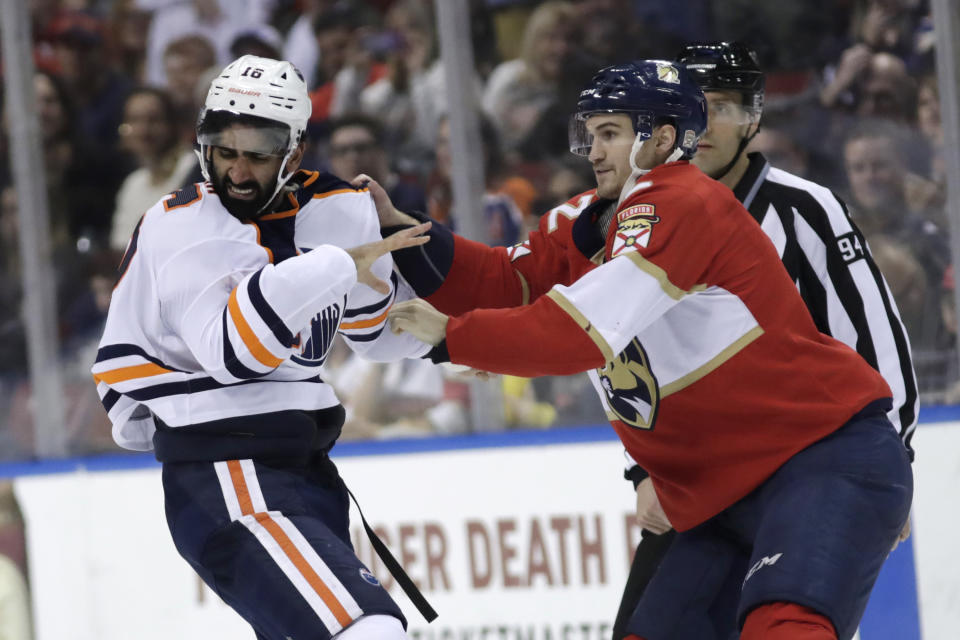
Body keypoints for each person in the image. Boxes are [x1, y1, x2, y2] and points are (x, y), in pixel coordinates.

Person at [370, 59, 913, 640]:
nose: (594, 151)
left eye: (610, 134)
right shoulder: (593, 215)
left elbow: (584, 329)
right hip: (716, 493)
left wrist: (455, 337)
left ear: (661, 139)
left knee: (786, 628)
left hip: (818, 461)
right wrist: (401, 229)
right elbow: (508, 280)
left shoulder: (679, 202)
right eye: (590, 134)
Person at [91, 55, 434, 640]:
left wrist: (445, 330)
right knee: (367, 630)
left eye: (257, 153)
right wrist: (332, 265)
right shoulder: (182, 227)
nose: (238, 172)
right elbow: (235, 351)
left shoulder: (336, 208)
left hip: (305, 474)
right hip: (227, 477)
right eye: (225, 151)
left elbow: (374, 338)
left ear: (295, 153)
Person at [609, 41, 920, 639]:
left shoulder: (805, 208)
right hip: (700, 481)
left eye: (721, 106)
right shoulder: (636, 214)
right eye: (691, 106)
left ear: (753, 118)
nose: (704, 123)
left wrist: (896, 454)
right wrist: (641, 470)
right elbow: (626, 354)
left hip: (804, 472)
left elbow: (875, 337)